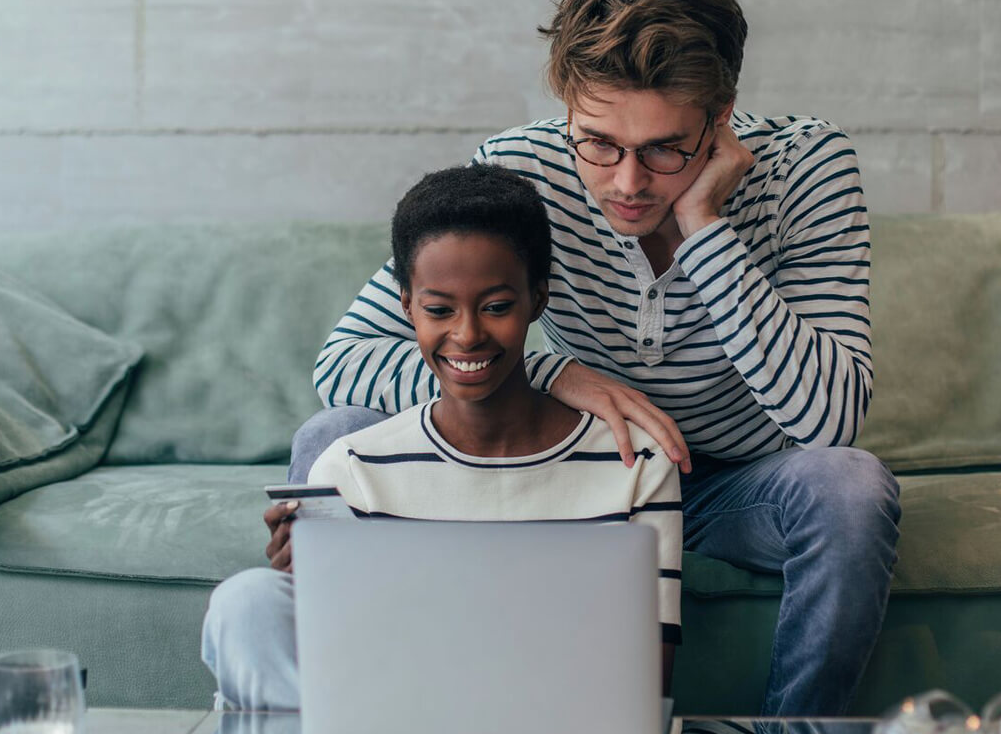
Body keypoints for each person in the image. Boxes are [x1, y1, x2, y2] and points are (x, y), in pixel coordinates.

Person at [296, 0, 901, 716]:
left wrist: (705, 227)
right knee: (333, 437)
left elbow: (829, 420)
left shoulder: (809, 166)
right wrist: (549, 373)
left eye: (663, 150)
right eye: (599, 144)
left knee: (850, 489)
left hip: (736, 486)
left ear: (721, 117)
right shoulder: (521, 170)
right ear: (567, 104)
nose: (627, 183)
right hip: (570, 473)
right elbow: (344, 362)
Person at [201, 163, 682, 710]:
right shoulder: (354, 466)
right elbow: (352, 654)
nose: (468, 334)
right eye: (438, 310)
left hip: (553, 713)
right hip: (397, 710)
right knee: (248, 602)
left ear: (538, 300)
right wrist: (309, 577)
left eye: (497, 307)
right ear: (406, 306)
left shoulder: (634, 460)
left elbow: (650, 680)